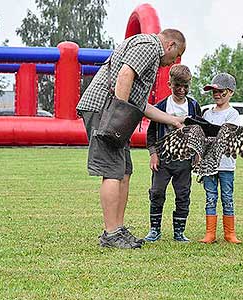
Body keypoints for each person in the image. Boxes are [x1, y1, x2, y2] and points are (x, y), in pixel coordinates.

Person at [76, 29, 187, 249]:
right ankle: (111, 234)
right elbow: (125, 75)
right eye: (175, 57)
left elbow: (141, 104)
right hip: (105, 111)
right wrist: (120, 116)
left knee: (124, 171)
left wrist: (172, 120)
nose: (171, 63)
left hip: (114, 111)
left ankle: (118, 229)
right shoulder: (149, 46)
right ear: (170, 45)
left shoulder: (150, 52)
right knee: (112, 171)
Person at [144, 64, 202, 242]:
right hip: (163, 159)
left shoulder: (193, 106)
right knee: (157, 192)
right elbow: (151, 132)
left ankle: (179, 232)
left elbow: (200, 130)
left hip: (184, 161)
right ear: (170, 84)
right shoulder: (161, 106)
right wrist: (153, 153)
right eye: (178, 86)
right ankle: (154, 230)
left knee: (183, 194)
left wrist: (197, 153)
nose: (182, 90)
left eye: (186, 86)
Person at [198, 73, 242, 244]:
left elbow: (227, 135)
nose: (216, 95)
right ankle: (210, 233)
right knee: (210, 196)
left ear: (230, 92)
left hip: (226, 165)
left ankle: (229, 233)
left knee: (227, 197)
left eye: (220, 91)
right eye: (213, 92)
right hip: (209, 164)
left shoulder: (233, 114)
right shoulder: (207, 113)